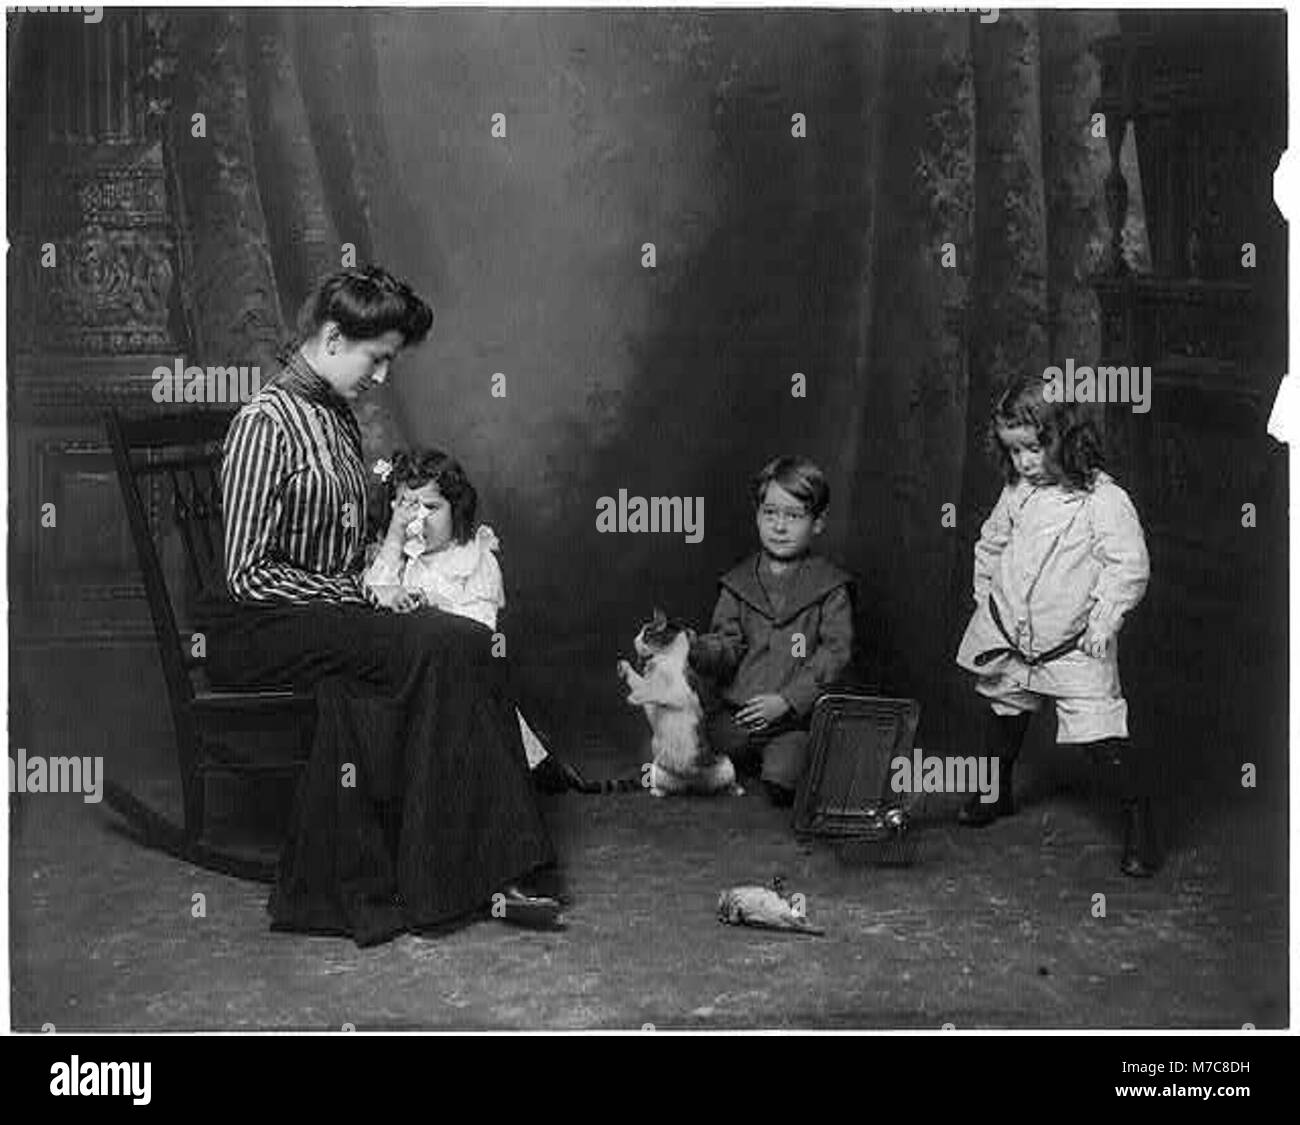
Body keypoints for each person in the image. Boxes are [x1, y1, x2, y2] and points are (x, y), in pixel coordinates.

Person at [206, 266, 563, 945]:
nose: (382, 376)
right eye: (378, 358)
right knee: (441, 642)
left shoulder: (335, 418)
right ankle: (476, 870)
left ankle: (456, 869)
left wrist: (412, 552)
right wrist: (359, 592)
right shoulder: (264, 422)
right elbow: (246, 575)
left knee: (462, 639)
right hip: (262, 628)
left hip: (332, 621)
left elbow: (354, 537)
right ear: (335, 337)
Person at [954, 376, 1155, 876]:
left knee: (1101, 737)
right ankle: (992, 793)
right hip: (1014, 637)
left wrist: (1105, 619)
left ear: (1064, 437)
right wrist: (989, 605)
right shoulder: (1018, 491)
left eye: (1033, 449)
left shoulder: (1102, 500)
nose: (1023, 463)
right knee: (1004, 713)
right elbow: (991, 544)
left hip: (1073, 645)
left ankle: (1139, 821)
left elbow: (1128, 565)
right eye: (1014, 452)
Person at [362, 448, 591, 793]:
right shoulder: (397, 559)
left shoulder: (475, 560)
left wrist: (432, 608)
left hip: (460, 678)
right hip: (409, 679)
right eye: (407, 508)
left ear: (456, 508)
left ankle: (537, 769)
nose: (419, 519)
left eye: (432, 507)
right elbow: (373, 598)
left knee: (478, 728)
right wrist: (394, 540)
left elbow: (480, 637)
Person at [691, 455, 854, 806]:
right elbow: (728, 643)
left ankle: (777, 765)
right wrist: (705, 650)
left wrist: (786, 701)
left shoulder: (830, 586)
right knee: (701, 744)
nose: (779, 527)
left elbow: (835, 652)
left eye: (793, 516)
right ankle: (734, 761)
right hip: (739, 714)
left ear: (818, 523)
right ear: (757, 516)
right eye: (770, 513)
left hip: (791, 722)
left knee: (783, 784)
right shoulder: (737, 583)